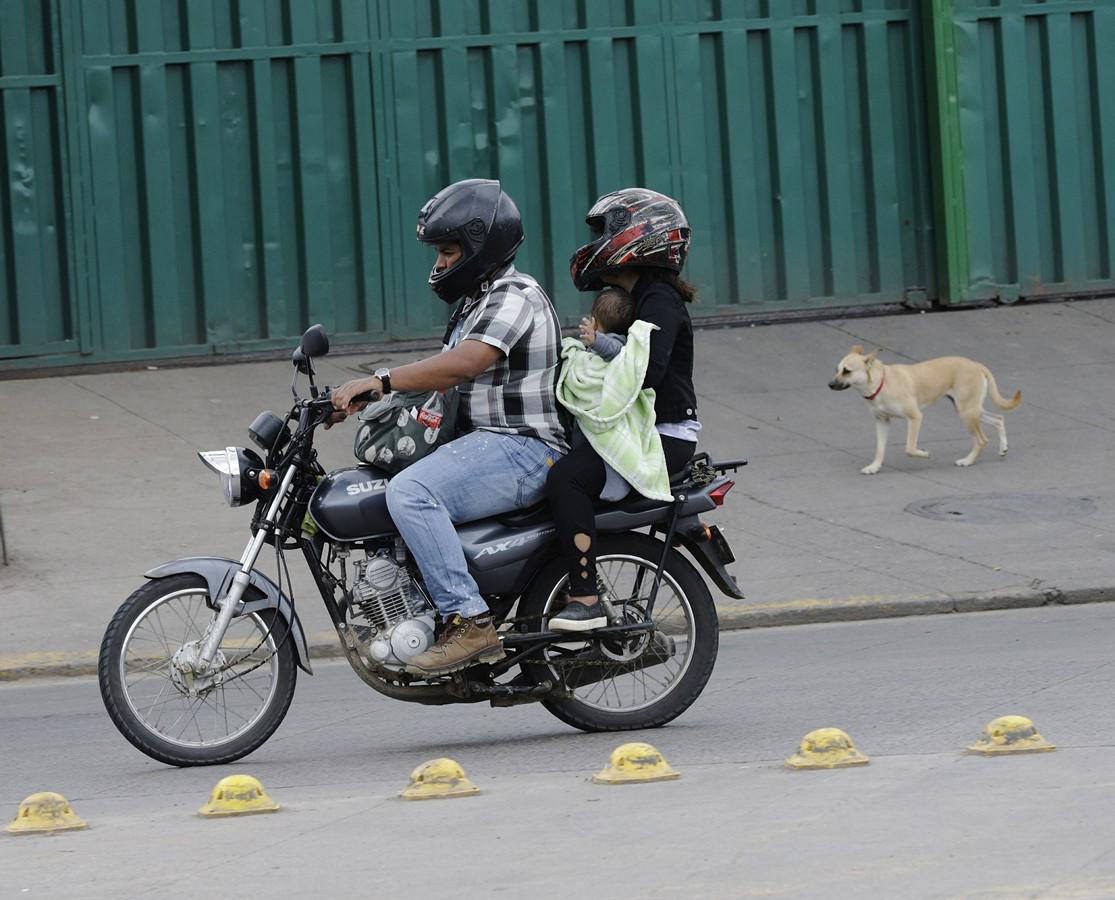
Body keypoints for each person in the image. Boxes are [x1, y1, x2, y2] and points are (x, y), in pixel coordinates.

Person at [330, 178, 568, 674]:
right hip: (489, 443)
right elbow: (437, 377)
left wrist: (380, 379)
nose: (439, 263)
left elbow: (463, 365)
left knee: (412, 491)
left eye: (447, 251)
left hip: (523, 448)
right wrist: (361, 399)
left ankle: (469, 622)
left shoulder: (514, 296)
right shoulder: (477, 302)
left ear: (481, 248)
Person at [546, 188, 700, 632]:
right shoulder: (646, 296)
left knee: (566, 479)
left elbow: (646, 370)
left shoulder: (660, 300)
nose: (596, 244)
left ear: (639, 236)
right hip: (647, 428)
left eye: (605, 232)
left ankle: (587, 596)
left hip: (665, 435)